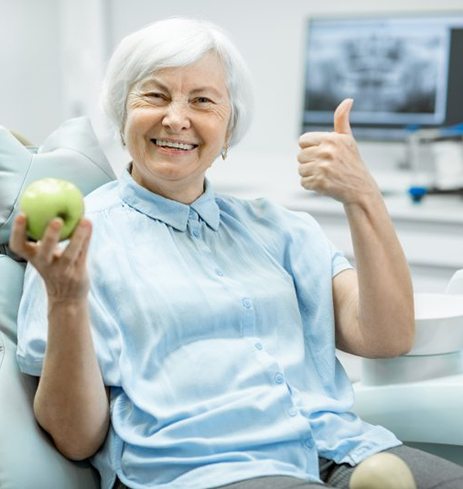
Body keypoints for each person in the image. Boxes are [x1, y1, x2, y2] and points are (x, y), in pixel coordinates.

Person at [10, 17, 463, 489]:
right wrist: (65, 300)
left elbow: (386, 336)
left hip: (343, 448)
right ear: (123, 113)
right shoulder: (76, 244)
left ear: (229, 129)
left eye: (203, 100)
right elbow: (76, 439)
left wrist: (363, 197)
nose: (176, 118)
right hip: (208, 470)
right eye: (155, 95)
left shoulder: (281, 228)